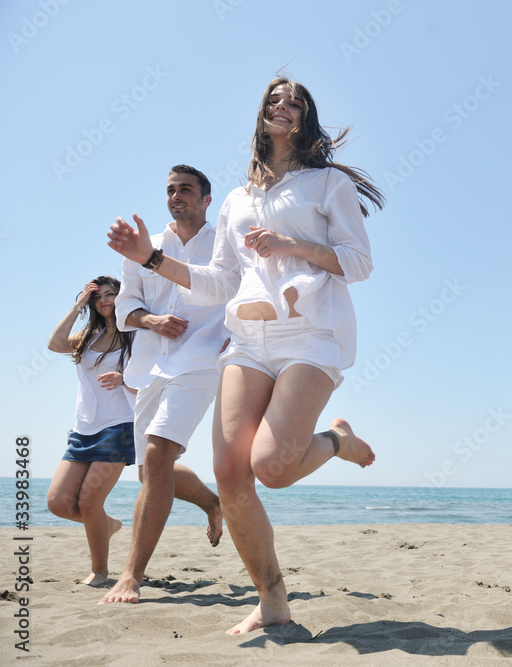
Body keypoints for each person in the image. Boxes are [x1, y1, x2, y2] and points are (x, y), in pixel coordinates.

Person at [106, 77, 383, 634]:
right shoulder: (236, 199)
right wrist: (152, 258)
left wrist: (291, 246)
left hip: (311, 334)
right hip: (248, 341)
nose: (283, 107)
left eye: (295, 102)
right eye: (273, 101)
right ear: (260, 117)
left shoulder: (327, 184)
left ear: (305, 119)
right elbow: (218, 282)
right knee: (230, 472)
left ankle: (335, 441)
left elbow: (358, 262)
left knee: (272, 468)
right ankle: (272, 598)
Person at [100, 165, 229, 607]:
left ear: (206, 199)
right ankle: (213, 503)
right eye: (171, 190)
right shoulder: (145, 245)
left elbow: (245, 291)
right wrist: (150, 319)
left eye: (186, 190)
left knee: (157, 455)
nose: (176, 196)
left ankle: (130, 577)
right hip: (147, 368)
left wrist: (240, 335)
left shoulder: (225, 243)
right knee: (150, 470)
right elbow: (124, 309)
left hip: (202, 359)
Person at [46, 277, 136, 586]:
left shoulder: (135, 335)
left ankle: (99, 572)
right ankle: (107, 525)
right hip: (83, 429)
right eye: (98, 297)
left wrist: (124, 378)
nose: (105, 300)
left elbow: (152, 376)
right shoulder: (87, 336)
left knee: (88, 502)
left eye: (111, 294)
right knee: (58, 502)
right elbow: (55, 343)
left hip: (118, 426)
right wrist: (77, 305)